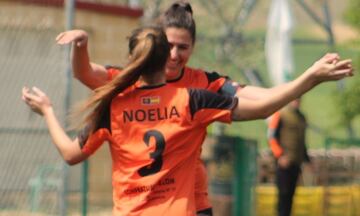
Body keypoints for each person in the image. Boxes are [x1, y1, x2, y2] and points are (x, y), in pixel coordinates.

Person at [55, 2, 353, 215]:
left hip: (191, 200)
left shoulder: (202, 86)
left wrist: (307, 80)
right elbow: (86, 73)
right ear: (156, 46)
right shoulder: (132, 83)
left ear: (193, 47)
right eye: (169, 46)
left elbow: (262, 99)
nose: (174, 55)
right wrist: (80, 46)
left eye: (182, 48)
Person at [267, 98, 312, 216]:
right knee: (283, 195)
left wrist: (307, 160)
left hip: (296, 163)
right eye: (294, 98)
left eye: (299, 99)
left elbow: (302, 141)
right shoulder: (280, 114)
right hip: (284, 163)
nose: (297, 101)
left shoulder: (302, 117)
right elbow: (271, 137)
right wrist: (280, 156)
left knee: (291, 196)